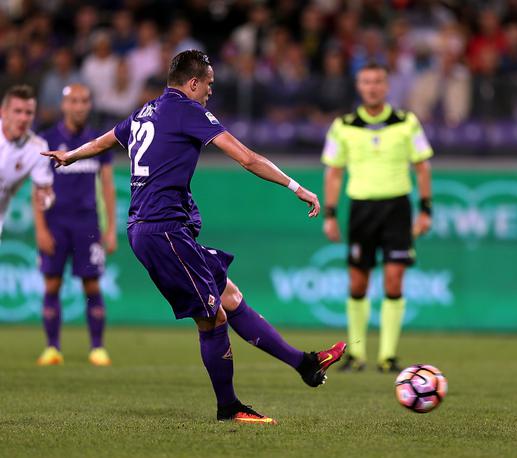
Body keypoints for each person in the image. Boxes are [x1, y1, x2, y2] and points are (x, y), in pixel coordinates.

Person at [42, 50, 346, 425]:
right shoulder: (188, 110)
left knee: (230, 297)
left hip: (159, 229)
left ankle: (305, 364)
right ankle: (229, 407)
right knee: (212, 319)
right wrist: (295, 185)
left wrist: (72, 155)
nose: (210, 93)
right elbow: (247, 157)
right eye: (209, 85)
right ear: (193, 83)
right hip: (163, 231)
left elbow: (108, 139)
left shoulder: (146, 111)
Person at [321, 62, 433, 373]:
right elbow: (334, 173)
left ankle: (388, 356)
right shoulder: (342, 125)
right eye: (366, 82)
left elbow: (422, 167)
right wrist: (330, 214)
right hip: (361, 208)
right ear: (359, 86)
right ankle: (357, 355)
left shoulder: (407, 122)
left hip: (397, 208)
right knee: (358, 282)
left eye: (378, 82)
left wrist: (425, 209)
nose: (372, 87)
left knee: (394, 279)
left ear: (386, 87)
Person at [35, 84, 117, 367]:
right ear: (64, 105)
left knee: (92, 284)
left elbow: (107, 186)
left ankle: (97, 347)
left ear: (90, 105)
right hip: (56, 222)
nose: (80, 106)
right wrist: (41, 229)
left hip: (87, 223)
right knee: (52, 283)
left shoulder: (99, 141)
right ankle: (52, 348)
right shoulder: (46, 140)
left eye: (84, 101)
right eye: (74, 101)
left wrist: (110, 229)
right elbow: (38, 189)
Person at [0, 85, 54, 240]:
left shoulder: (37, 148)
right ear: (3, 113)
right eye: (17, 111)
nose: (23, 118)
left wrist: (46, 199)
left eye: (28, 113)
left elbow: (44, 190)